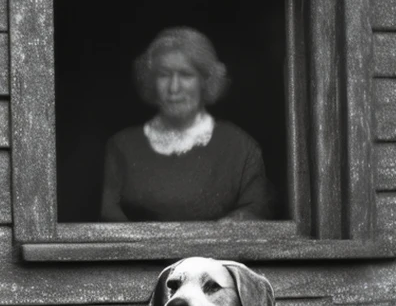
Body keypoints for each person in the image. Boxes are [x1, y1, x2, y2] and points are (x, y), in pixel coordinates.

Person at [100, 27, 270, 222]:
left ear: (205, 81)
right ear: (151, 81)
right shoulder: (122, 146)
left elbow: (257, 212)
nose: (174, 88)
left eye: (186, 75)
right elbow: (109, 219)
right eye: (164, 75)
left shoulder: (240, 147)